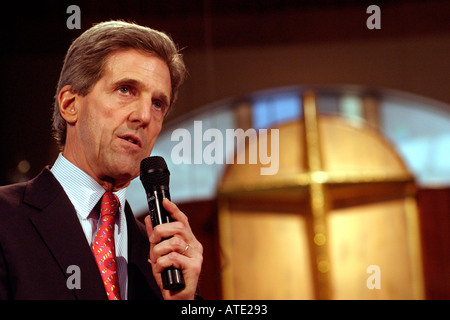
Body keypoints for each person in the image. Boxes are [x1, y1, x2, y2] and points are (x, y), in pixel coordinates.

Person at [0, 21, 203, 300]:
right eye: (125, 89)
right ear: (71, 104)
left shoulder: (164, 259)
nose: (144, 116)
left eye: (158, 104)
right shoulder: (5, 220)